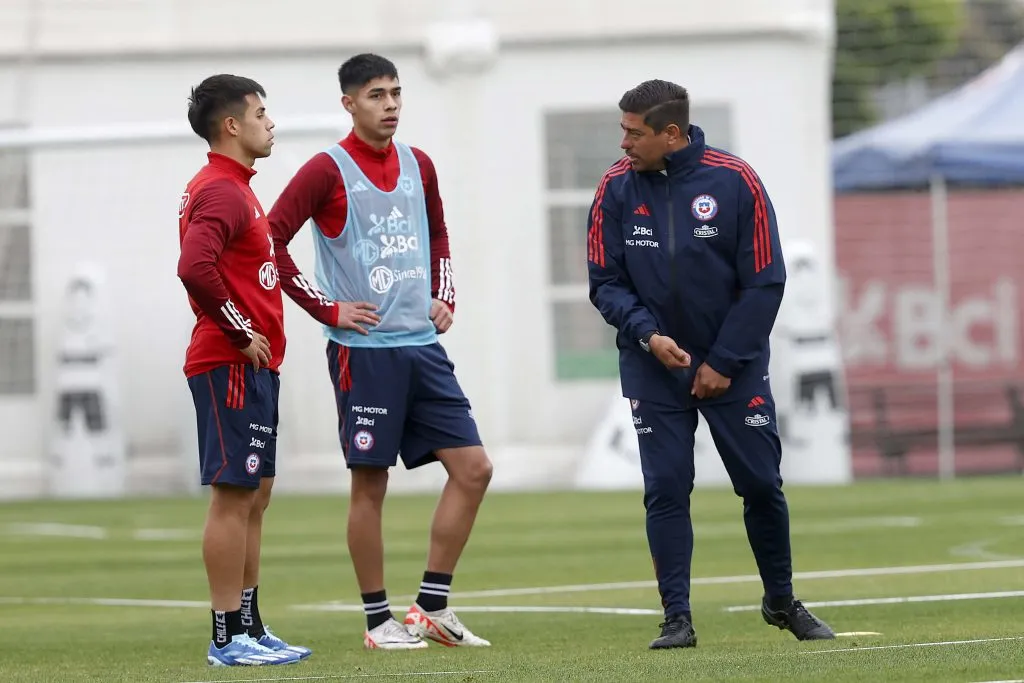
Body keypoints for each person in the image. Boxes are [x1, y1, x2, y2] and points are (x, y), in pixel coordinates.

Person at [586, 79, 836, 649]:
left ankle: (781, 600)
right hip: (654, 366)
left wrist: (723, 360)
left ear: (671, 133)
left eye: (634, 132)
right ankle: (677, 617)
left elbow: (766, 281)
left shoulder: (735, 181)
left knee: (761, 485)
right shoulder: (615, 190)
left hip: (734, 367)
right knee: (667, 488)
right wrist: (649, 336)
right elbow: (605, 283)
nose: (623, 143)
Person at [268, 53, 493, 651]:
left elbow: (439, 233)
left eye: (396, 92)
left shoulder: (420, 164)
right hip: (363, 354)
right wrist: (326, 307)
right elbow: (271, 240)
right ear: (349, 103)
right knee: (371, 486)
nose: (390, 104)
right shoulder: (326, 169)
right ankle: (377, 621)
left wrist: (445, 295)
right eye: (376, 95)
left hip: (423, 348)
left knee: (474, 470)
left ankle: (431, 608)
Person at [177, 74, 312, 667]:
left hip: (255, 363)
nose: (270, 122)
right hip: (227, 361)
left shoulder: (239, 187)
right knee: (233, 498)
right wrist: (239, 329)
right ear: (232, 125)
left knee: (255, 496)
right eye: (261, 112)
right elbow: (195, 268)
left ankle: (251, 625)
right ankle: (226, 637)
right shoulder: (221, 190)